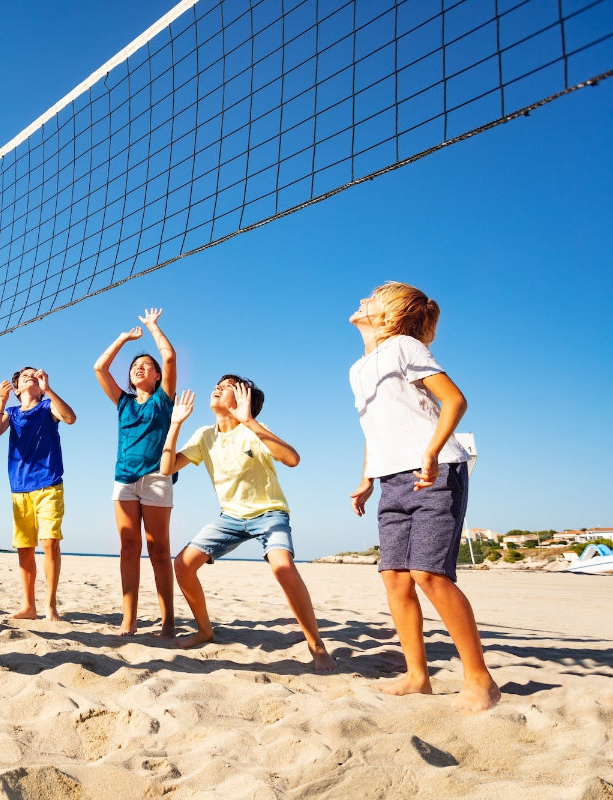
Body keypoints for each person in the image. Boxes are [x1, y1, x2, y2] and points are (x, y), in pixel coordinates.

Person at [347, 281, 500, 711]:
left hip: (435, 471)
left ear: (392, 312)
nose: (364, 299)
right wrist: (366, 478)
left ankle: (480, 680)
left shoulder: (404, 348)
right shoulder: (359, 368)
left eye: (374, 296)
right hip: (391, 479)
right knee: (395, 578)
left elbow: (455, 400)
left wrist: (430, 452)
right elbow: (375, 430)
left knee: (429, 574)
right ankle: (418, 677)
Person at [159, 377, 337, 671]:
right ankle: (204, 631)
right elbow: (166, 468)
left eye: (228, 384)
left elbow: (292, 459)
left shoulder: (253, 430)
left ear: (243, 399)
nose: (217, 386)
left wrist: (250, 421)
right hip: (230, 517)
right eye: (218, 383)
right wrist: (175, 423)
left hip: (268, 513)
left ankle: (317, 647)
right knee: (183, 564)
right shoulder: (205, 435)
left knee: (282, 567)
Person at [94, 308, 177, 637]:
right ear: (130, 378)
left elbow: (169, 358)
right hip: (124, 480)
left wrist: (153, 327)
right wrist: (122, 339)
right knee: (128, 547)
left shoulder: (163, 401)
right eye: (135, 366)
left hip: (157, 478)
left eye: (147, 366)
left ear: (156, 377)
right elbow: (100, 368)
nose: (140, 368)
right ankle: (129, 620)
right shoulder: (123, 402)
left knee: (158, 549)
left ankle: (167, 621)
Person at [0, 367, 77, 621]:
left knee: (49, 542)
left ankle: (50, 605)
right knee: (25, 549)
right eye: (23, 375)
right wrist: (1, 400)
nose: (29, 375)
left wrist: (48, 388)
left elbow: (70, 418)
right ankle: (29, 606)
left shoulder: (48, 406)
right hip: (20, 488)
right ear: (16, 389)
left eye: (33, 374)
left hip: (49, 483)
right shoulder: (12, 412)